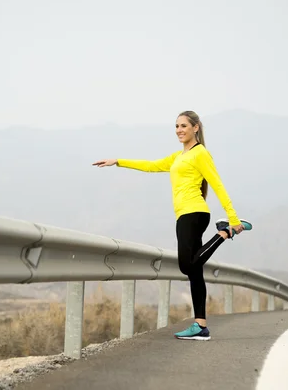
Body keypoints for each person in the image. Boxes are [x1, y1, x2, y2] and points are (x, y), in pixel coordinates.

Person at [92, 110, 252, 341]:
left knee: (186, 266)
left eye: (183, 126)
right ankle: (201, 326)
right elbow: (151, 165)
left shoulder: (200, 154)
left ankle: (224, 232)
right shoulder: (179, 156)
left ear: (195, 128)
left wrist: (233, 219)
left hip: (194, 213)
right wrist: (118, 162)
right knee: (195, 272)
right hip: (184, 215)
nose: (179, 130)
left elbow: (217, 184)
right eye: (176, 126)